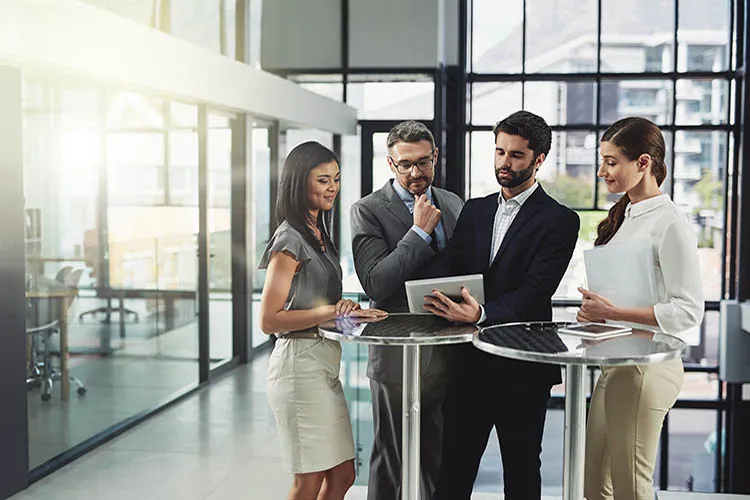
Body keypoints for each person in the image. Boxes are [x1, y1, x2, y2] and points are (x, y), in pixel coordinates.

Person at [423, 110, 580, 499]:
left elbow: (536, 290)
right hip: (468, 366)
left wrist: (480, 313)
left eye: (516, 155)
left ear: (538, 159)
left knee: (522, 472)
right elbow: (451, 264)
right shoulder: (475, 209)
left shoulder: (560, 220)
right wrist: (427, 287)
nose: (504, 163)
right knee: (453, 473)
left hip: (523, 370)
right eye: (499, 152)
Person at [577, 117, 704, 500]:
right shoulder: (626, 217)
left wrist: (612, 313)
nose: (602, 172)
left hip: (648, 368)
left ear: (644, 163)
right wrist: (596, 314)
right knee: (595, 487)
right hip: (615, 364)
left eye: (612, 162)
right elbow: (623, 296)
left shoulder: (671, 223)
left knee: (631, 488)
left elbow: (687, 310)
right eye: (602, 161)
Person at [259, 141, 387, 500]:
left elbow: (317, 310)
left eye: (336, 179)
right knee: (308, 482)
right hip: (298, 370)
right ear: (300, 183)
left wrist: (349, 314)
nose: (333, 187)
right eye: (323, 180)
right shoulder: (289, 240)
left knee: (343, 474)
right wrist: (331, 311)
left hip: (321, 365)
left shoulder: (319, 236)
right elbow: (269, 320)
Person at [350, 121, 464, 500]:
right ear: (390, 163)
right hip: (395, 352)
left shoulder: (452, 203)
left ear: (435, 158)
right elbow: (376, 283)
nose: (416, 173)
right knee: (391, 455)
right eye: (405, 164)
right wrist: (417, 233)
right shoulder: (367, 210)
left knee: (440, 455)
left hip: (448, 348)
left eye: (423, 162)